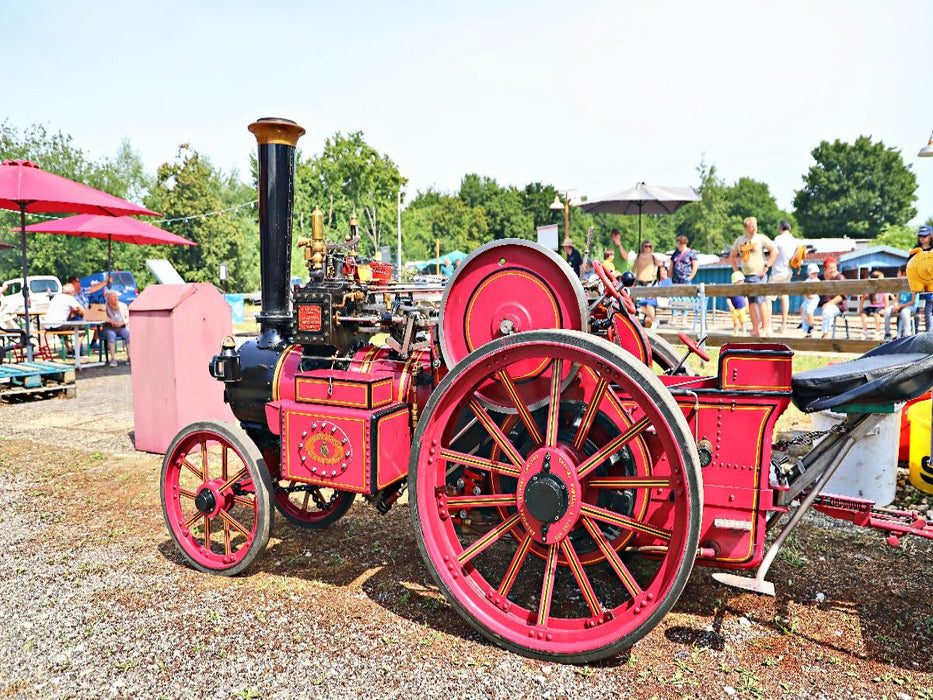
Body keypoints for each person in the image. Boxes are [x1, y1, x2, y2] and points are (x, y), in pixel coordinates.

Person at [728, 216, 777, 337]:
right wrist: (737, 271)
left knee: (762, 302)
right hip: (746, 276)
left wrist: (767, 267)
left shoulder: (761, 238)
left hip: (759, 275)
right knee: (751, 303)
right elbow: (732, 256)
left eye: (755, 225)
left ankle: (765, 328)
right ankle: (756, 328)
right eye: (751, 226)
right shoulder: (740, 241)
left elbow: (774, 250)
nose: (754, 228)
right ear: (745, 228)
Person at [769, 220, 798, 332]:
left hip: (777, 270)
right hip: (788, 271)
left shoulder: (778, 239)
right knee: (785, 297)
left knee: (768, 297)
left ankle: (768, 324)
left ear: (781, 228)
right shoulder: (794, 240)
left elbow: (773, 252)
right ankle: (784, 324)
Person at [815, 257, 848, 338]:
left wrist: (828, 304)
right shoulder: (819, 278)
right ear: (824, 269)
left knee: (827, 312)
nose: (833, 270)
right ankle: (808, 332)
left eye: (834, 267)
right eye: (830, 268)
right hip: (821, 305)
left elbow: (841, 297)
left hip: (837, 306)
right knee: (806, 310)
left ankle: (825, 334)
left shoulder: (840, 278)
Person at [885, 266, 917, 340]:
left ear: (903, 273)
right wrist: (896, 305)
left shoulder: (913, 284)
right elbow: (896, 299)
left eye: (898, 272)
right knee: (887, 311)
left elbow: (912, 301)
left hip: (910, 307)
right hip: (900, 306)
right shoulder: (900, 285)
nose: (897, 274)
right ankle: (887, 333)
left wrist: (900, 306)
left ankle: (907, 334)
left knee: (905, 312)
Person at [912, 225, 933, 332]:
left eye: (925, 236)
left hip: (930, 286)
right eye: (920, 236)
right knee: (916, 309)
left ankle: (930, 333)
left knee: (928, 310)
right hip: (918, 285)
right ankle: (914, 332)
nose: (922, 238)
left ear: (930, 236)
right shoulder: (915, 250)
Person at [102, 289, 131, 367]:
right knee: (111, 335)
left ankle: (130, 357)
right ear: (108, 299)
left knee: (127, 333)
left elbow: (128, 318)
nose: (115, 298)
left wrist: (122, 323)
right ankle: (113, 359)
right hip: (109, 328)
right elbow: (101, 317)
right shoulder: (105, 307)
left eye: (116, 297)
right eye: (112, 297)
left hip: (121, 327)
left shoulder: (123, 305)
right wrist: (110, 320)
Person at [858, 270, 886, 340]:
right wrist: (860, 308)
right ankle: (865, 330)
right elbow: (863, 298)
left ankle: (877, 331)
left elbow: (886, 301)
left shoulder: (884, 289)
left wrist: (885, 309)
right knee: (863, 314)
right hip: (872, 306)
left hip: (880, 306)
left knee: (876, 314)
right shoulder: (870, 290)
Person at [800, 263, 821, 337]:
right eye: (813, 273)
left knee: (809, 311)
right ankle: (804, 324)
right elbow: (804, 289)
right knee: (802, 309)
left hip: (814, 299)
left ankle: (811, 326)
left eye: (816, 273)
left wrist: (809, 295)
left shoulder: (817, 281)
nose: (814, 274)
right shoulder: (807, 281)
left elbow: (816, 292)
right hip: (807, 299)